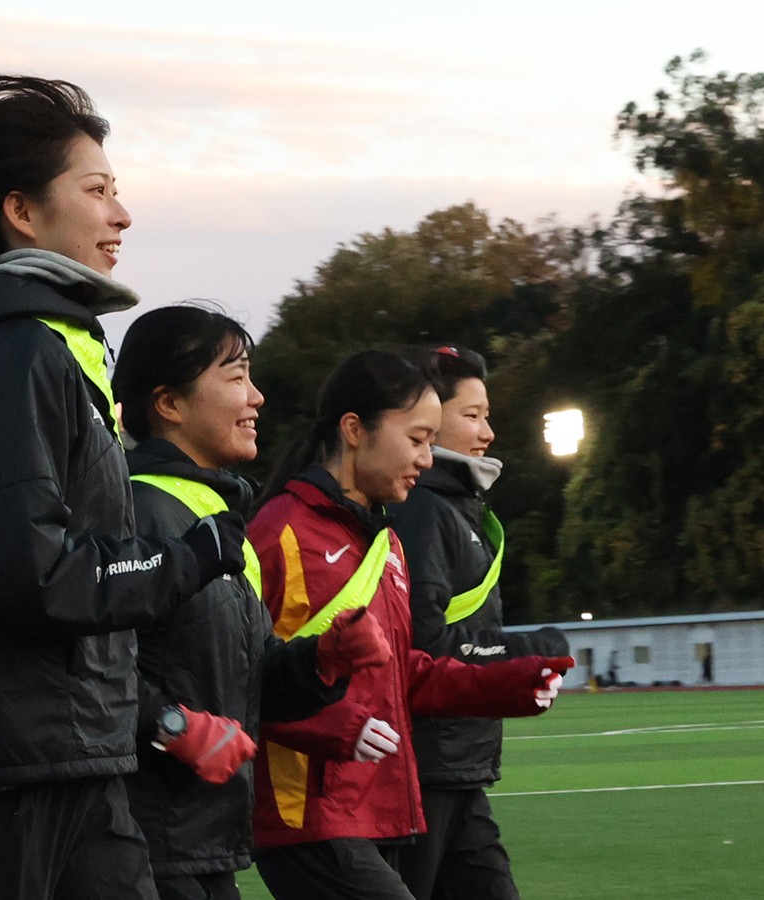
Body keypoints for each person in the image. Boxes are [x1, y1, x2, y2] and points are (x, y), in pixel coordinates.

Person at [0, 75, 248, 900]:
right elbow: (26, 573)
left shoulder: (53, 348)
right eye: (98, 189)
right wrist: (183, 560)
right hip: (5, 778)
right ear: (23, 212)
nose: (122, 213)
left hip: (68, 758)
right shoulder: (13, 352)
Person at [245, 348, 575, 900]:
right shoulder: (278, 534)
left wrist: (512, 680)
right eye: (417, 439)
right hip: (311, 816)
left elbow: (409, 673)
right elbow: (239, 678)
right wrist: (338, 727)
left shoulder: (386, 539)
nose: (426, 459)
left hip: (383, 803)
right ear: (354, 429)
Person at [111, 304, 392, 900]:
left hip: (205, 843)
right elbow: (88, 667)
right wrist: (169, 726)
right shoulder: (136, 512)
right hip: (147, 848)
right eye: (236, 377)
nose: (257, 397)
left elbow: (254, 677)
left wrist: (322, 659)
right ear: (170, 404)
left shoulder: (217, 520)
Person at [390, 344, 570, 900]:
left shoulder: (453, 506)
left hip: (456, 767)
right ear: (422, 417)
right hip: (425, 768)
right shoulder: (423, 510)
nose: (488, 432)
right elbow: (423, 645)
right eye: (472, 415)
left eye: (485, 415)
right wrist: (524, 651)